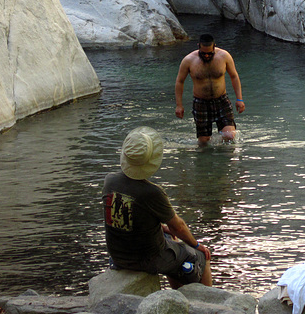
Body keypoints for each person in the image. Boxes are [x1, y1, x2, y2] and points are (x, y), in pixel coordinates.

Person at [102, 126, 212, 287]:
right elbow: (178, 227)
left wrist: (164, 229)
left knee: (169, 238)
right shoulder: (152, 193)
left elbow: (129, 216)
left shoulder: (109, 181)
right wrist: (196, 245)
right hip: (145, 259)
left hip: (118, 255)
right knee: (201, 257)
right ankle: (207, 305)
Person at [175, 34, 245, 145]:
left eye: (209, 53)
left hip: (221, 100)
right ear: (199, 46)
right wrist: (179, 105)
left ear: (214, 47)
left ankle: (223, 157)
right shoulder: (189, 60)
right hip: (201, 102)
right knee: (203, 142)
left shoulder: (224, 56)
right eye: (203, 53)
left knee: (230, 136)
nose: (207, 56)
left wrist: (239, 99)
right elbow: (180, 81)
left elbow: (234, 76)